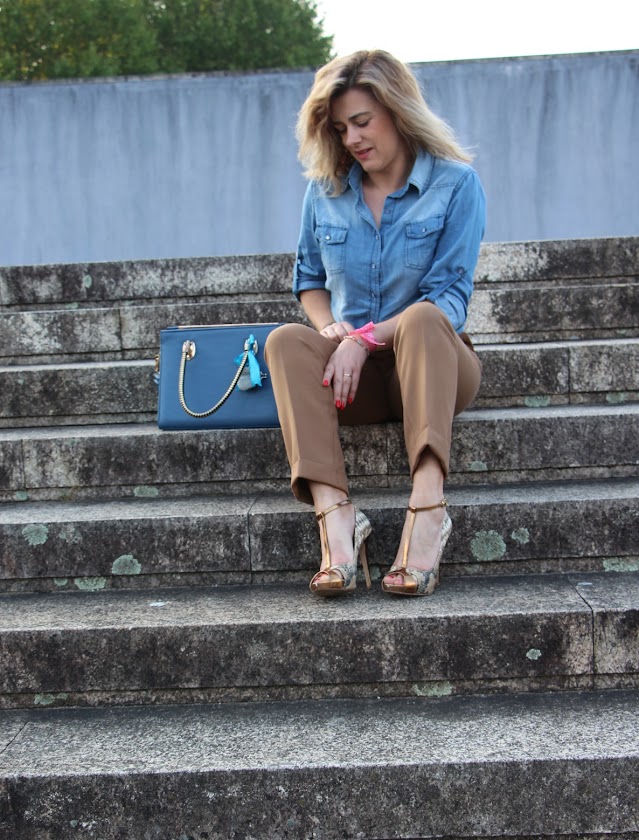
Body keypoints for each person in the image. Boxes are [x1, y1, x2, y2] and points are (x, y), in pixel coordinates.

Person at [264, 50, 485, 597]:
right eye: (341, 128)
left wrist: (365, 338)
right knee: (286, 340)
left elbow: (449, 297)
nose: (353, 139)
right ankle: (336, 518)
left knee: (425, 316)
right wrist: (332, 330)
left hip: (432, 368)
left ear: (397, 110)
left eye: (362, 121)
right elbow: (308, 280)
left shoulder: (456, 184)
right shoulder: (325, 191)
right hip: (353, 382)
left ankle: (428, 508)